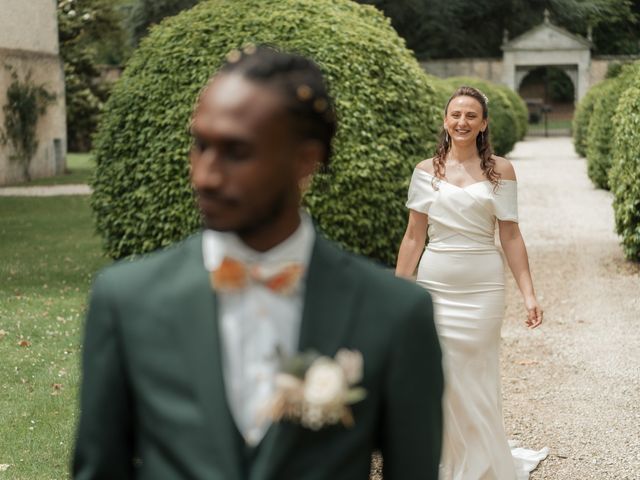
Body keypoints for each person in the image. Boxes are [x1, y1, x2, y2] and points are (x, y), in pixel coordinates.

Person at [73, 46, 444, 480]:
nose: (205, 176)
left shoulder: (394, 313)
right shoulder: (127, 300)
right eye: (201, 145)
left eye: (236, 151)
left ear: (306, 159)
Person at [396, 86, 548, 479]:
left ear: (483, 124)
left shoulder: (502, 170)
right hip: (436, 283)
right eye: (455, 115)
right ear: (445, 121)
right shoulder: (426, 171)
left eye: (470, 116)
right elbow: (414, 236)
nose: (461, 122)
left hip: (482, 286)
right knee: (441, 371)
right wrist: (395, 292)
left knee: (476, 371)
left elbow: (511, 236)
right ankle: (444, 455)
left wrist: (529, 293)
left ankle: (482, 458)